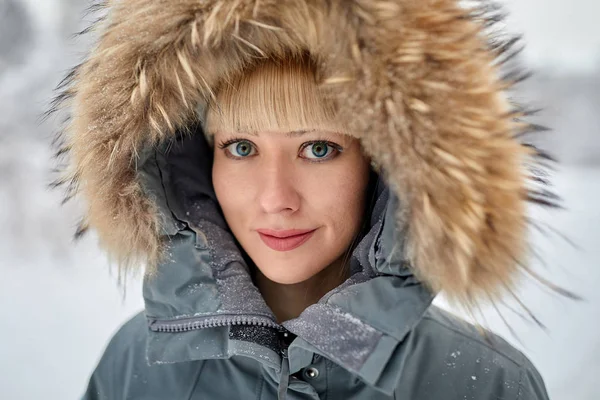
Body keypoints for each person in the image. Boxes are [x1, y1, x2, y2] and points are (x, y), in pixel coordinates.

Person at [52, 0, 553, 399]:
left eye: (318, 149)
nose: (276, 199)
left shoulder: (486, 383)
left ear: (384, 168)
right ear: (196, 163)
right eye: (241, 147)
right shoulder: (134, 366)